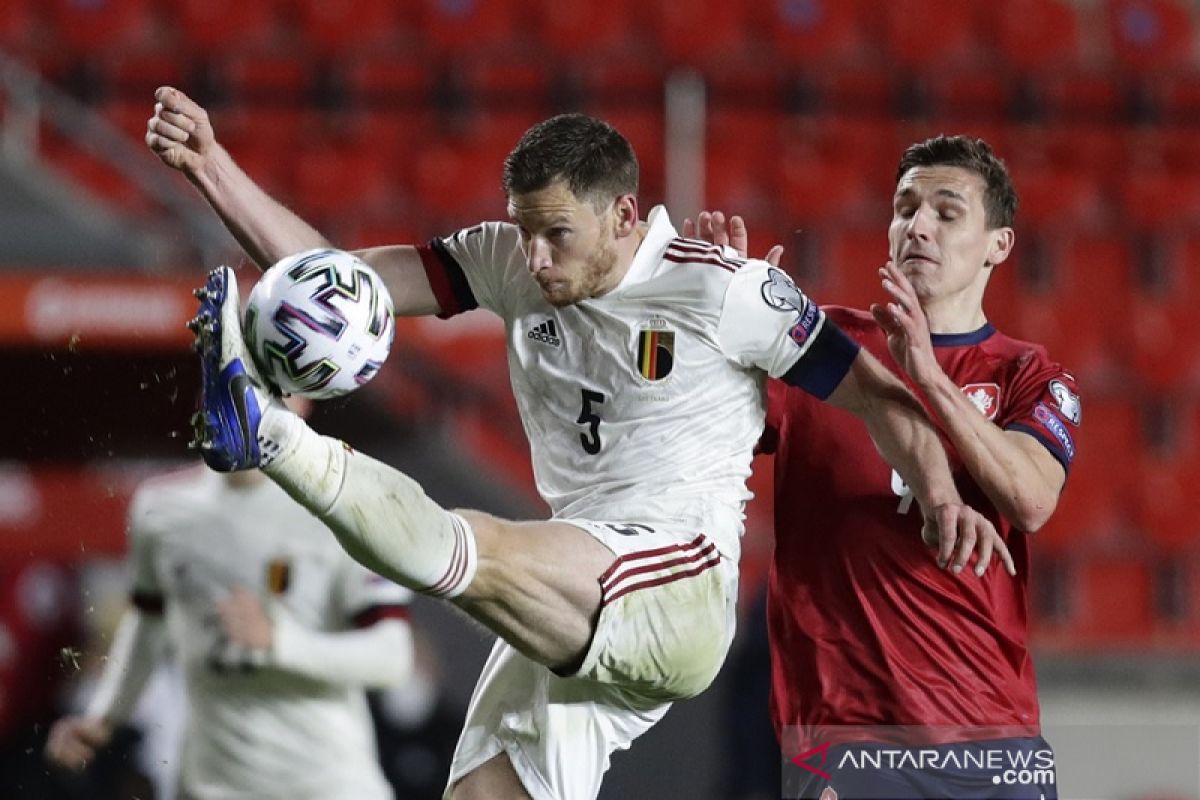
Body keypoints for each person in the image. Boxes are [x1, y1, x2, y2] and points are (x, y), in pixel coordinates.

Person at [144, 87, 1012, 800]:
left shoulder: (723, 291)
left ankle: (266, 436)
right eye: (523, 229)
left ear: (624, 214)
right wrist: (212, 169)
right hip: (577, 573)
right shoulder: (511, 260)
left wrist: (937, 492)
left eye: (558, 232)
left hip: (676, 579)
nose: (537, 256)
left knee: (477, 549)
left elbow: (876, 393)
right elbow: (342, 286)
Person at [693, 135, 1077, 799]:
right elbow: (703, 426)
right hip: (847, 739)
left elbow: (1032, 498)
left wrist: (927, 372)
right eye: (905, 208)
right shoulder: (820, 351)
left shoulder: (1027, 374)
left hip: (996, 737)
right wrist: (714, 325)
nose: (918, 225)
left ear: (999, 245)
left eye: (947, 212)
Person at [45, 418, 416, 800]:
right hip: (211, 783)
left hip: (325, 783)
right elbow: (147, 624)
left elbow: (392, 657)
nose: (235, 395)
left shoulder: (341, 505)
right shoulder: (162, 507)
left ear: (299, 396)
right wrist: (105, 717)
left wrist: (279, 641)